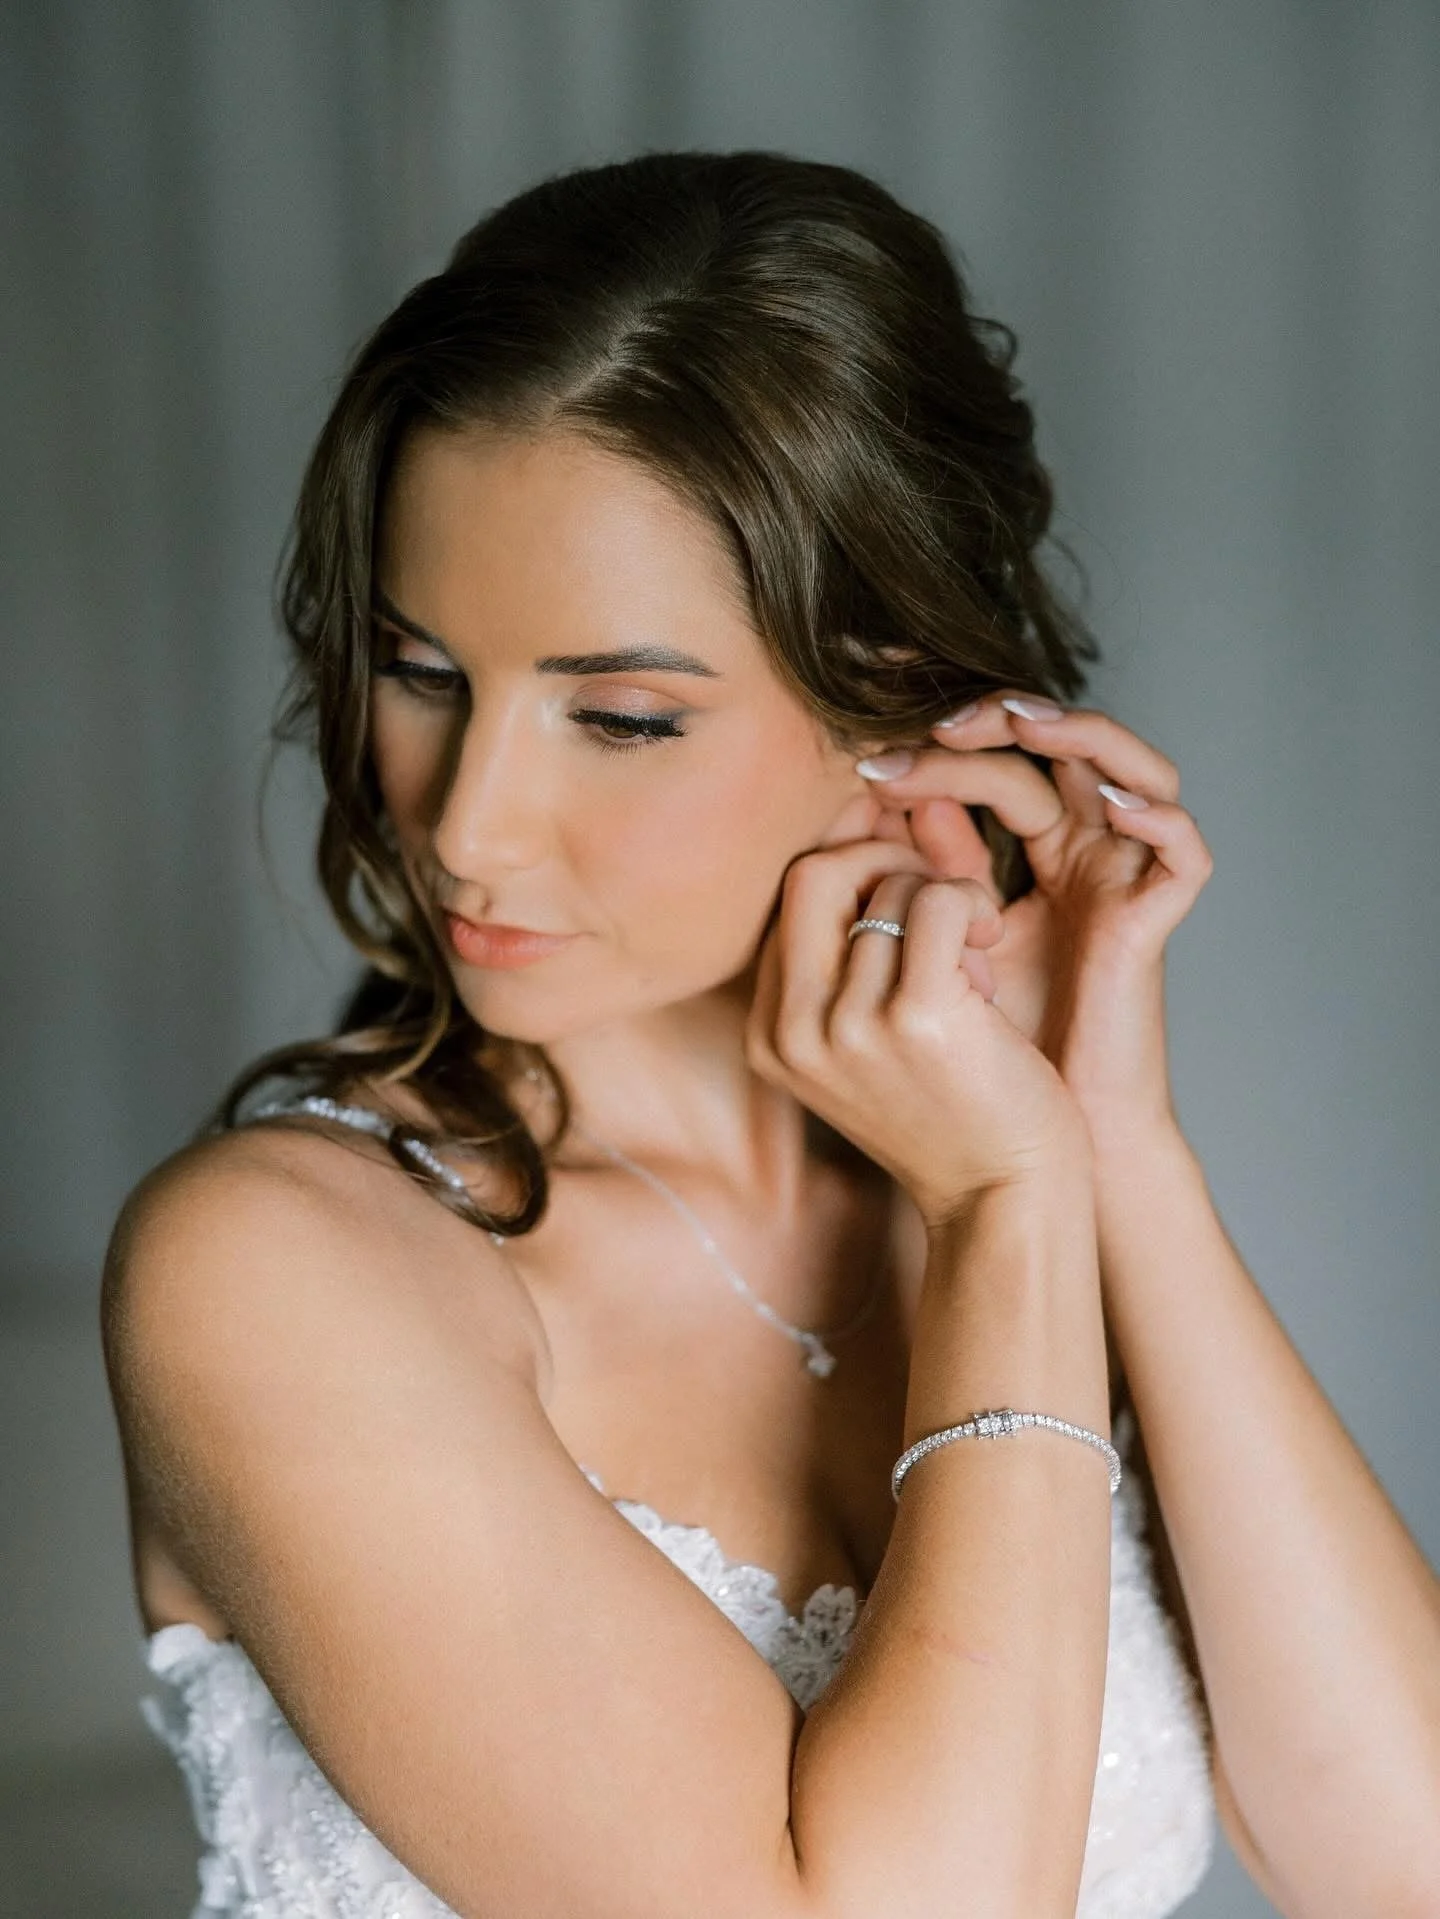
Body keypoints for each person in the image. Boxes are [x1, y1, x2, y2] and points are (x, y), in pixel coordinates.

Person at [101, 151, 1439, 1919]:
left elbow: (1400, 1857)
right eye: (422, 671)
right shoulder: (273, 1264)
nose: (469, 821)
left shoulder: (985, 1162)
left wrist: (1111, 1140)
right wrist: (1007, 1213)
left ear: (894, 708)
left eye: (624, 716)